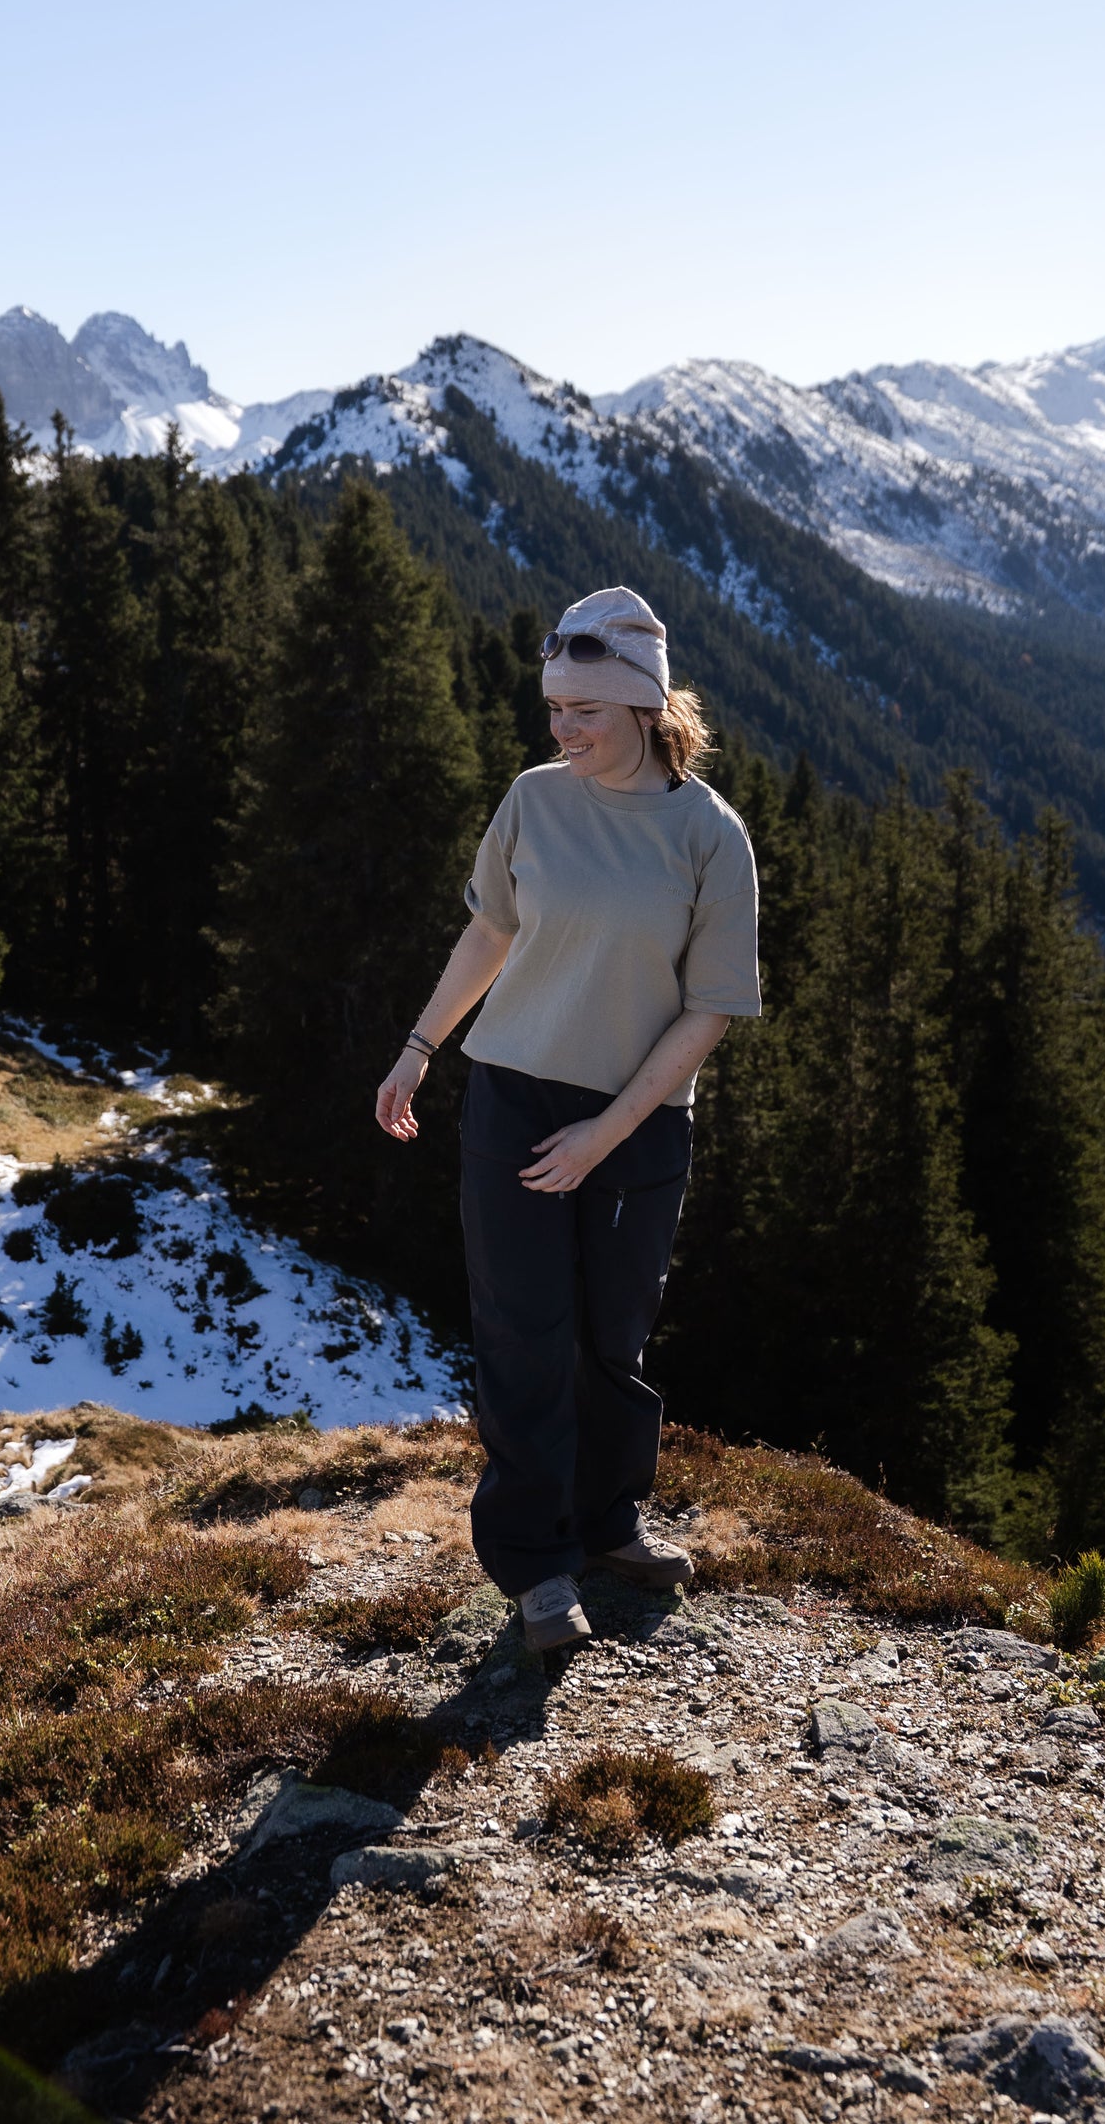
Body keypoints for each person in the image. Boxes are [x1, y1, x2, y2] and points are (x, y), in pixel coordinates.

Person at [374, 586, 761, 1650]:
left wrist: (609, 1132)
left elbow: (711, 1009)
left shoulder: (708, 836)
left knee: (611, 1345)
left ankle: (608, 1524)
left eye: (583, 712)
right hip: (512, 1095)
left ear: (645, 706)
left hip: (638, 1121)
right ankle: (538, 1567)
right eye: (554, 710)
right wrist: (420, 1047)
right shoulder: (534, 800)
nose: (562, 731)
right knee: (521, 1334)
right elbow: (490, 932)